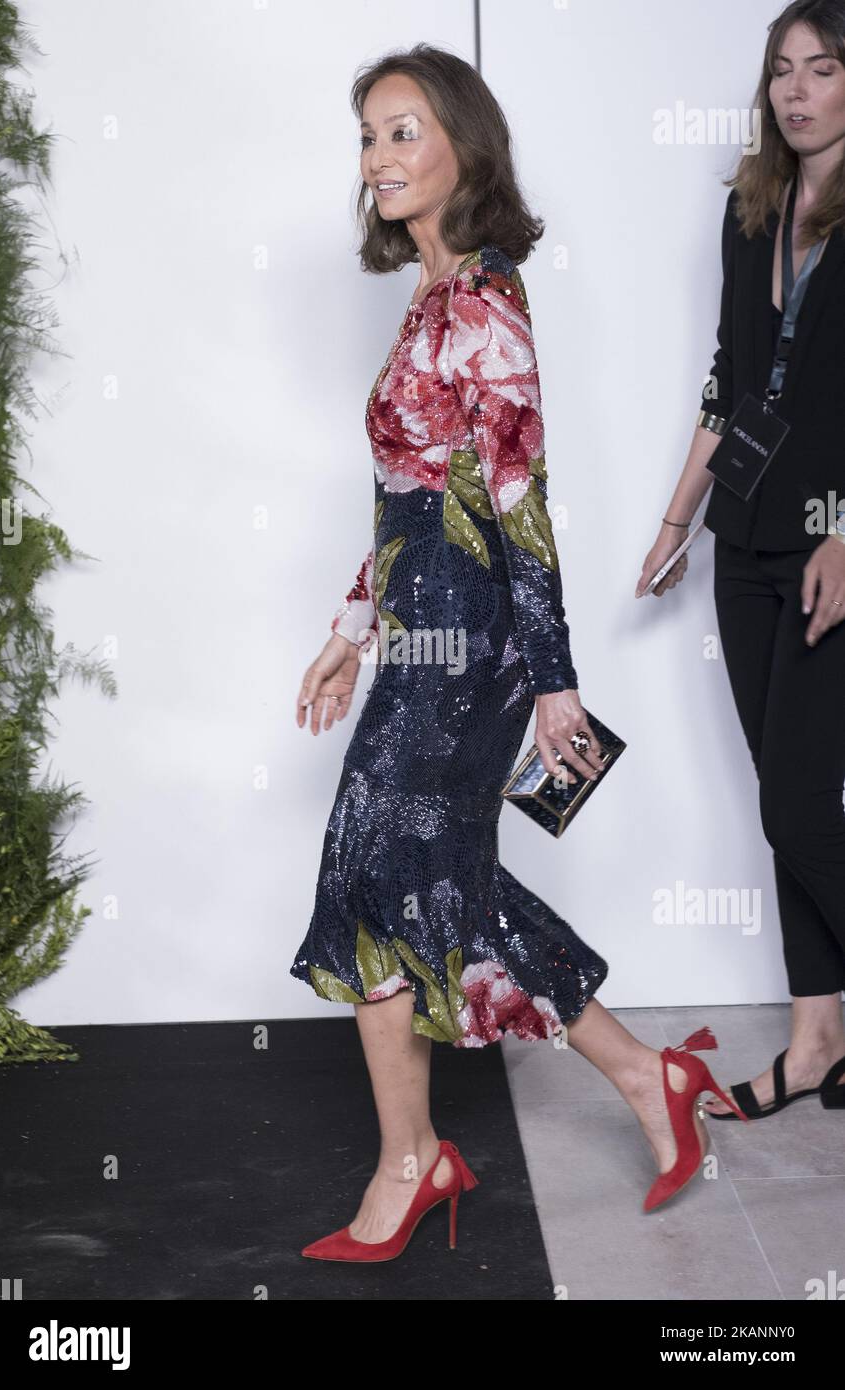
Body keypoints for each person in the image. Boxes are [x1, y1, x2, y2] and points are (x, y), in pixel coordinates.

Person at [290, 43, 745, 1262]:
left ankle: (415, 1156)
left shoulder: (484, 298)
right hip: (419, 640)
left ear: (462, 148)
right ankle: (643, 1080)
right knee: (421, 885)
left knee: (386, 878)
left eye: (401, 132)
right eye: (367, 137)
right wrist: (347, 635)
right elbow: (405, 501)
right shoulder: (427, 302)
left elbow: (515, 504)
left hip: (474, 657)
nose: (377, 158)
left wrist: (552, 679)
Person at [635, 0, 845, 1122]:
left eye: (820, 68)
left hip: (829, 543)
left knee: (802, 807)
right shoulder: (748, 207)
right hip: (746, 536)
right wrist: (676, 520)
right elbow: (726, 376)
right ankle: (815, 1043)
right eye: (780, 71)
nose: (796, 91)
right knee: (783, 797)